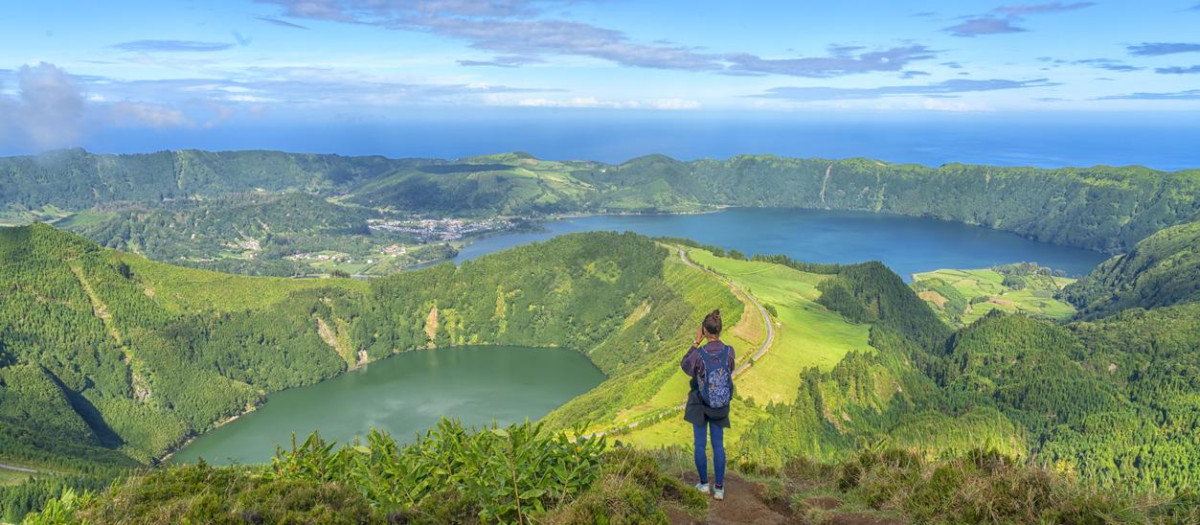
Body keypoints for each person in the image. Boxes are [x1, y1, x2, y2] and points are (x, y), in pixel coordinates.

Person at [680, 309, 735, 501]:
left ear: (704, 330)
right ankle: (719, 489)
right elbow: (730, 369)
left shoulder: (699, 354)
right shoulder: (729, 351)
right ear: (720, 330)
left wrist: (696, 342)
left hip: (701, 404)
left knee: (700, 445)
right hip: (720, 405)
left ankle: (704, 485)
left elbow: (685, 366)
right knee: (718, 445)